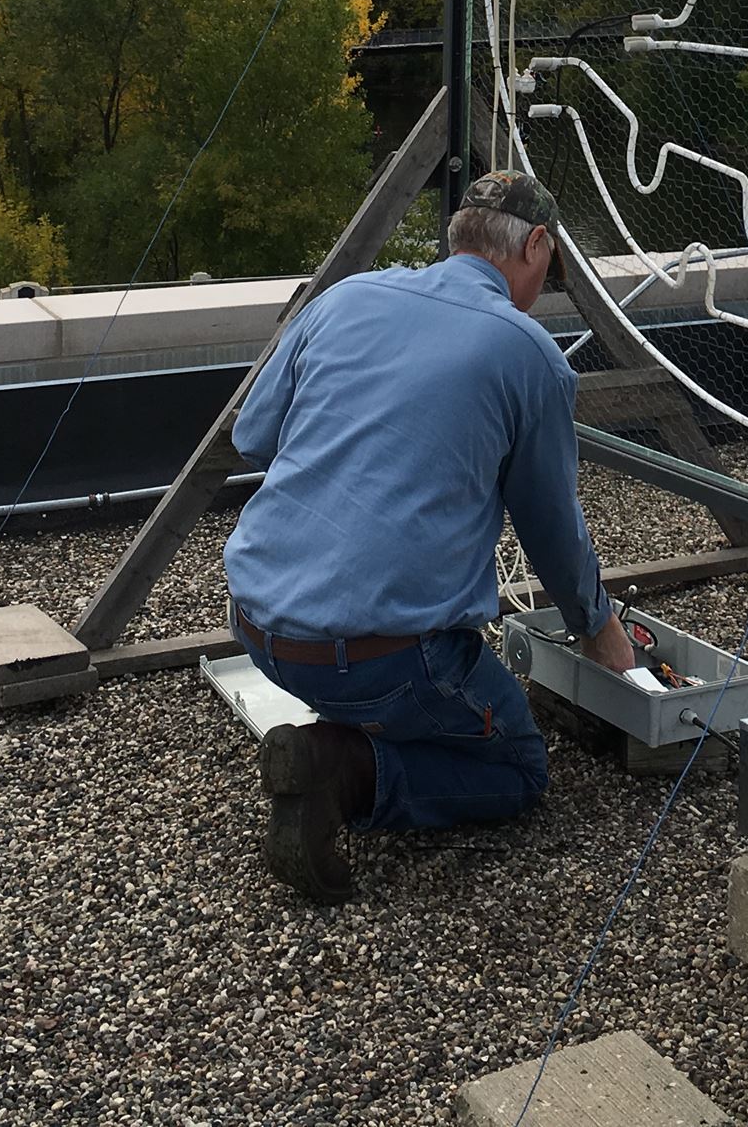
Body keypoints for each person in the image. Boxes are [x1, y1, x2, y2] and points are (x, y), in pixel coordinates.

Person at [223, 169, 634, 902]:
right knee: (517, 767)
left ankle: (346, 726)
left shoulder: (346, 298)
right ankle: (340, 770)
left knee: (402, 679)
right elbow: (549, 526)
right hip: (380, 662)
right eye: (550, 269)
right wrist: (599, 630)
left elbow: (254, 435)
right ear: (536, 244)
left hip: (255, 627)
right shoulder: (525, 350)